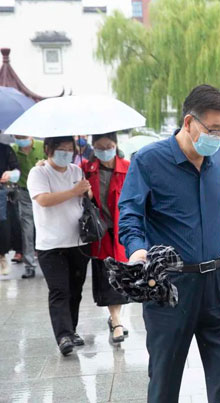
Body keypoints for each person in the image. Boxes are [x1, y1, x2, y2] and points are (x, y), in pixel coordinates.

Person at [118, 85, 220, 402]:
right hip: (170, 284)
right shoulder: (149, 161)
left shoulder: (219, 156)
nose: (219, 137)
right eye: (213, 130)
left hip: (218, 281)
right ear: (189, 122)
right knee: (165, 375)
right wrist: (137, 249)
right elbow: (129, 213)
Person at [27, 136, 92, 355]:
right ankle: (63, 336)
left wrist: (85, 190)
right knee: (59, 290)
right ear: (48, 149)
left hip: (78, 241)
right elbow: (43, 200)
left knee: (75, 290)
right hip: (50, 244)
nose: (66, 153)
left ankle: (72, 330)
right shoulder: (39, 173)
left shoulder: (76, 171)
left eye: (69, 149)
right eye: (61, 149)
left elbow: (86, 198)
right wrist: (74, 191)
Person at [82, 132, 130, 343]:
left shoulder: (127, 168)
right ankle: (116, 321)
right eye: (99, 147)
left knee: (120, 276)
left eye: (108, 146)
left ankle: (115, 319)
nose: (104, 151)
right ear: (93, 147)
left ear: (116, 145)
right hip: (100, 233)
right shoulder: (86, 170)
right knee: (106, 276)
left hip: (122, 231)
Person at [11, 135, 45, 278]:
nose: (21, 140)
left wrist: (44, 164)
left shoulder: (42, 146)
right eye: (17, 137)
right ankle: (29, 265)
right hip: (24, 193)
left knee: (45, 226)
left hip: (44, 192)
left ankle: (50, 260)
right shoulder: (13, 150)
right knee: (27, 229)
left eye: (23, 137)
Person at [0, 139, 21, 275]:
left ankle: (1, 257)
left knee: (3, 227)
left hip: (1, 194)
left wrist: (11, 174)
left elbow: (16, 170)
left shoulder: (5, 150)